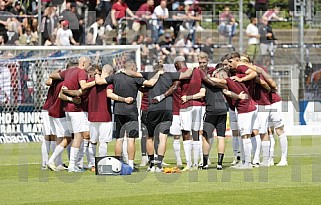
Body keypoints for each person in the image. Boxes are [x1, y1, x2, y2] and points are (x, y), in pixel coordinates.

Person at [95, 60, 163, 170]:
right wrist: (158, 73)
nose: (136, 70)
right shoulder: (135, 78)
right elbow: (150, 83)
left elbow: (99, 82)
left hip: (118, 111)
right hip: (131, 111)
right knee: (131, 139)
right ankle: (130, 165)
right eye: (135, 68)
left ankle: (118, 165)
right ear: (131, 68)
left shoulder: (115, 77)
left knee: (119, 139)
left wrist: (96, 73)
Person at [49, 57, 95, 172]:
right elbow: (83, 86)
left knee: (72, 137)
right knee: (78, 136)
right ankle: (72, 165)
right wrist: (96, 81)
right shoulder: (81, 72)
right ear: (83, 62)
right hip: (76, 110)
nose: (90, 66)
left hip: (67, 109)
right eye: (89, 63)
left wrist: (60, 76)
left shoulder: (68, 72)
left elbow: (52, 76)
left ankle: (74, 163)